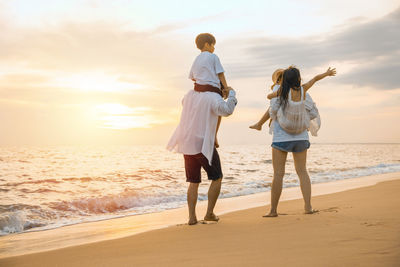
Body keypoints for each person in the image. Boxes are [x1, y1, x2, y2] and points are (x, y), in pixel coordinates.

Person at [167, 59, 237, 225]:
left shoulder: (188, 96)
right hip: (203, 144)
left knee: (193, 182)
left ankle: (192, 217)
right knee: (217, 177)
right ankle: (209, 213)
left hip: (186, 143)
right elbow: (226, 110)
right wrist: (232, 94)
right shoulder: (213, 98)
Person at [264, 66, 336, 217]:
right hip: (301, 137)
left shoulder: (282, 91)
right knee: (302, 172)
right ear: (298, 79)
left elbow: (270, 101)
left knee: (278, 174)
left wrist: (275, 93)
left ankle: (273, 210)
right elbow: (315, 79)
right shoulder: (304, 90)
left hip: (281, 138)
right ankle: (308, 207)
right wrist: (327, 73)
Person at [189, 33, 230, 148]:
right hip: (212, 91)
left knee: (201, 116)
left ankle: (200, 136)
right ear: (207, 44)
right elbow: (220, 73)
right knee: (219, 112)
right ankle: (214, 135)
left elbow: (192, 76)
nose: (214, 48)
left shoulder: (196, 59)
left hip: (198, 92)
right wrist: (225, 88)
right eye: (213, 45)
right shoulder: (213, 56)